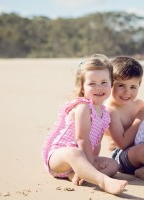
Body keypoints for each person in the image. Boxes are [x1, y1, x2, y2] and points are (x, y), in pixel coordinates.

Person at [42, 54, 127, 195]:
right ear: (82, 87)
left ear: (111, 84)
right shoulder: (83, 107)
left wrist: (94, 159)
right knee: (74, 152)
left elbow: (97, 143)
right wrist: (92, 163)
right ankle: (103, 181)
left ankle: (80, 174)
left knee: (113, 164)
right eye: (92, 83)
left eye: (104, 82)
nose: (98, 88)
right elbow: (82, 138)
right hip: (59, 158)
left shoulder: (105, 114)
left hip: (83, 157)